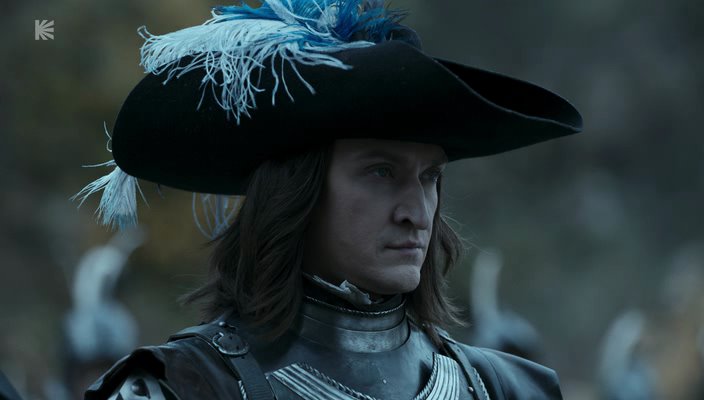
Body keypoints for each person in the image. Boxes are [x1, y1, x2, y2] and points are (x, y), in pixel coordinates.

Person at [75, 0, 583, 398]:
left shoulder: (510, 391)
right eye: (381, 172)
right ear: (296, 194)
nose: (417, 212)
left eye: (429, 177)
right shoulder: (182, 388)